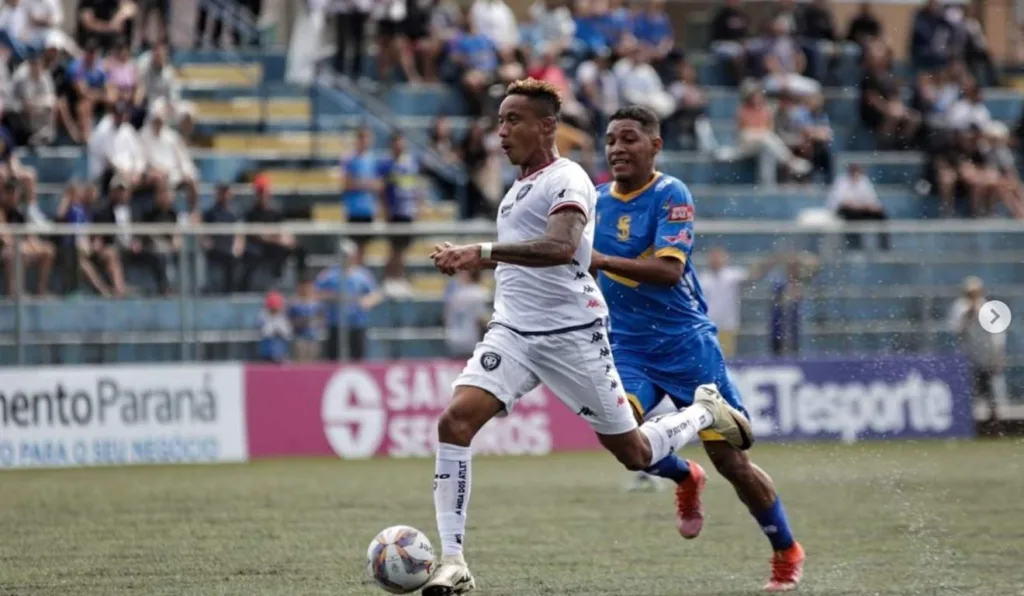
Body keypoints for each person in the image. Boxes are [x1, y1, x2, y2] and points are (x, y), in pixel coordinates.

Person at [423, 79, 753, 595]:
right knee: (455, 421)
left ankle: (705, 410)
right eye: (500, 120)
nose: (502, 131)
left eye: (514, 120)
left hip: (573, 335)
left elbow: (560, 247)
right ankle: (453, 560)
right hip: (512, 334)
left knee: (635, 453)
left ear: (547, 126)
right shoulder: (515, 191)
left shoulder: (569, 179)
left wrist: (479, 252)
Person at [589, 105, 806, 593]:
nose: (617, 149)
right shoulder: (595, 199)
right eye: (610, 140)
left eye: (628, 139)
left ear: (655, 145)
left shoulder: (671, 194)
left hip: (687, 346)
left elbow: (668, 272)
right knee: (619, 437)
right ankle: (685, 475)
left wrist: (599, 259)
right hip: (626, 346)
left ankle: (786, 549)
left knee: (732, 463)